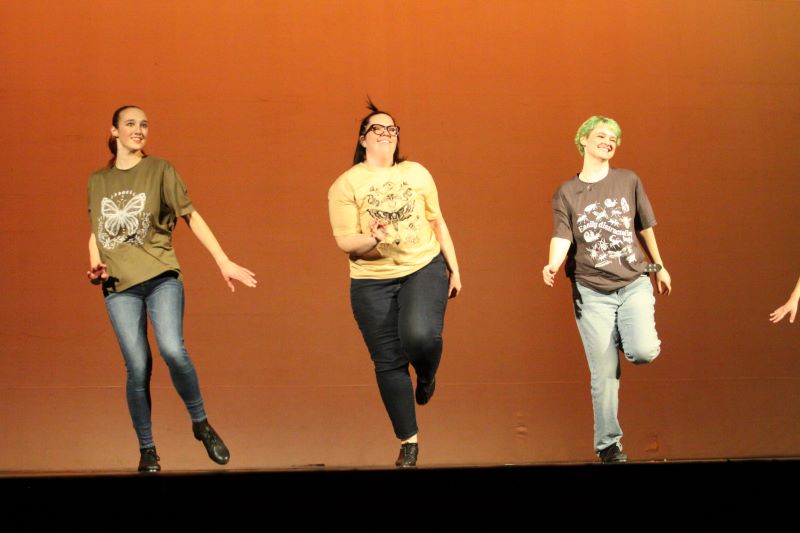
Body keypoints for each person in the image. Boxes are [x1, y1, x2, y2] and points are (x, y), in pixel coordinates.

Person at [86, 105, 257, 472]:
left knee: (172, 350)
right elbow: (96, 231)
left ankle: (201, 423)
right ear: (114, 131)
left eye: (144, 124)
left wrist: (222, 260)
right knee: (137, 367)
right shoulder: (97, 181)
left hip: (161, 276)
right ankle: (147, 449)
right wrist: (95, 265)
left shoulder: (160, 170)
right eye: (130, 124)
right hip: (119, 286)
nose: (139, 129)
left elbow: (191, 215)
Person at [328, 100, 461, 467]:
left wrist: (455, 267)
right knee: (388, 361)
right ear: (363, 139)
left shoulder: (416, 173)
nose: (386, 134)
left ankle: (427, 374)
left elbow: (437, 221)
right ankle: (409, 442)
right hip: (371, 282)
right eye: (378, 129)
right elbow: (345, 241)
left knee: (420, 336)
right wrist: (371, 238)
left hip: (422, 267)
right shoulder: (345, 185)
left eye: (392, 129)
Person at [542, 115, 672, 463]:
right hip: (591, 291)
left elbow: (645, 227)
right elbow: (562, 234)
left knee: (643, 351)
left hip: (633, 282)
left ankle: (624, 335)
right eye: (601, 135)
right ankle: (609, 446)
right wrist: (552, 263)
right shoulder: (567, 192)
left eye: (614, 138)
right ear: (583, 140)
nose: (608, 141)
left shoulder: (628, 180)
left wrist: (659, 265)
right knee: (604, 373)